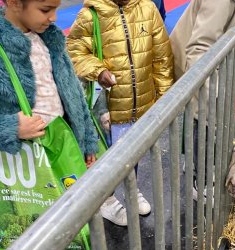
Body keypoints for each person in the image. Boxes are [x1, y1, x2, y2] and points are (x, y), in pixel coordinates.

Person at [67, 0, 174, 226]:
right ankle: (106, 199)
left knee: (132, 153)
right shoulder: (90, 15)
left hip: (141, 104)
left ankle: (131, 187)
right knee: (107, 156)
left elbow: (162, 58)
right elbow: (75, 51)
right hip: (109, 109)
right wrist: (98, 70)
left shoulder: (148, 8)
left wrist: (165, 99)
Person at [0, 0, 98, 167]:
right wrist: (10, 127)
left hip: (64, 148)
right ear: (14, 3)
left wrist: (88, 141)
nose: (54, 18)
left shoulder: (50, 39)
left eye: (56, 9)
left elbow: (75, 94)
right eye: (45, 10)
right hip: (25, 166)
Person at [169, 0, 235, 202]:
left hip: (208, 62)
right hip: (195, 64)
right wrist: (219, 94)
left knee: (203, 113)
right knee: (204, 115)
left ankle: (193, 162)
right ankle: (202, 181)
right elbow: (198, 49)